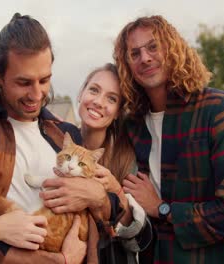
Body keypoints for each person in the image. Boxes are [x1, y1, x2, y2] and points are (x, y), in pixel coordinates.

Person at [0, 13, 121, 263]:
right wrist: (58, 262)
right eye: (24, 82)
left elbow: (110, 215)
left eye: (44, 80)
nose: (36, 94)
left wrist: (98, 196)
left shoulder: (65, 133)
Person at [113, 15, 224, 263]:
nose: (145, 58)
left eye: (152, 46)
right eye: (134, 54)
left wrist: (162, 208)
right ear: (127, 65)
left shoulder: (219, 108)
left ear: (172, 49)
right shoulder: (132, 127)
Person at [76, 63, 152, 263]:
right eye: (94, 90)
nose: (99, 102)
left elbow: (138, 239)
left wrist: (116, 190)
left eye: (111, 98)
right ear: (81, 93)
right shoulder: (56, 145)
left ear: (118, 111)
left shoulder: (126, 160)